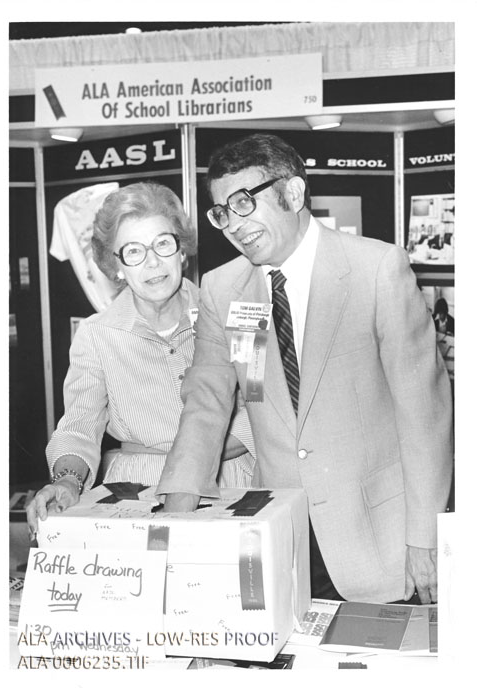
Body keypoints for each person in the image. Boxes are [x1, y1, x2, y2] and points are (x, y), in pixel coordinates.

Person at [157, 134, 453, 605]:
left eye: (243, 203)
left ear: (293, 194)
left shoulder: (376, 269)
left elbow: (424, 415)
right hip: (282, 538)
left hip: (379, 538)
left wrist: (425, 538)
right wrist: (177, 507)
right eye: (222, 212)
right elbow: (206, 402)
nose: (233, 225)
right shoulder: (223, 289)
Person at [27, 182, 255, 536]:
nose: (152, 262)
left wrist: (193, 460)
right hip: (137, 495)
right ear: (115, 266)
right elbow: (79, 426)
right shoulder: (96, 334)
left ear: (182, 251)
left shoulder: (240, 317)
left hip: (229, 484)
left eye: (163, 244)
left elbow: (261, 408)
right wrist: (67, 480)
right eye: (133, 251)